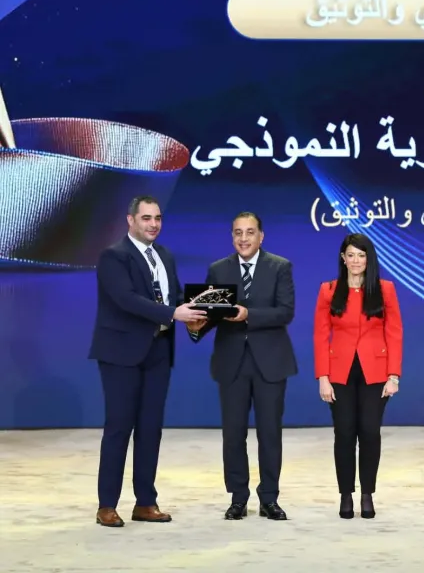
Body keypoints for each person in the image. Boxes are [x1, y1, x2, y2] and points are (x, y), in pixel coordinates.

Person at [88, 195, 207, 528]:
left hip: (158, 352)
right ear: (130, 220)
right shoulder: (113, 256)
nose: (153, 224)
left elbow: (175, 296)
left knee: (150, 429)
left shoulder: (164, 255)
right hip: (120, 354)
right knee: (119, 427)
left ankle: (145, 502)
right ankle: (107, 505)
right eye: (146, 218)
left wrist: (200, 313)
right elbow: (126, 299)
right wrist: (173, 314)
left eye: (157, 218)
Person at [186, 212, 298, 521]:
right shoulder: (218, 269)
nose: (244, 238)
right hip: (231, 362)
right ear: (232, 236)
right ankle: (238, 498)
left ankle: (269, 498)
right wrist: (195, 326)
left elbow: (285, 312)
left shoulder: (280, 267)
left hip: (270, 362)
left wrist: (249, 314)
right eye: (238, 232)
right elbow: (210, 314)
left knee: (269, 434)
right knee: (233, 434)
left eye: (250, 232)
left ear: (261, 236)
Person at [313, 233, 403, 519]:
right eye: (350, 255)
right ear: (343, 258)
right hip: (339, 373)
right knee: (344, 433)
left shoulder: (385, 289)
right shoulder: (328, 290)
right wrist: (323, 377)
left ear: (369, 259)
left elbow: (394, 332)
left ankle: (367, 494)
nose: (355, 261)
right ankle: (345, 495)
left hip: (375, 372)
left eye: (361, 255)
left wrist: (393, 375)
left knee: (369, 432)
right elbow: (320, 335)